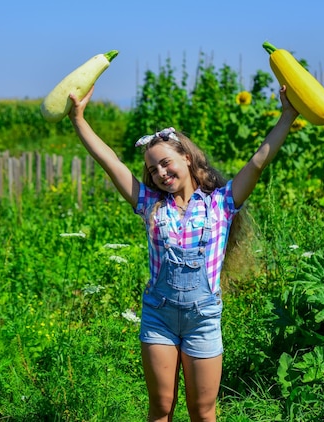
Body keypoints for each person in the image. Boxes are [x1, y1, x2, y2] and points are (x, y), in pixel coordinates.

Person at [68, 84, 298, 422]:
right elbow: (110, 162)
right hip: (159, 317)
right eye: (153, 170)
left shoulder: (222, 203)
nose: (160, 174)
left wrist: (287, 116)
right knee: (161, 408)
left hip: (202, 320)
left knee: (202, 412)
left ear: (186, 158)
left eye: (165, 163)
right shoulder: (149, 204)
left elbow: (258, 162)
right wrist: (78, 120)